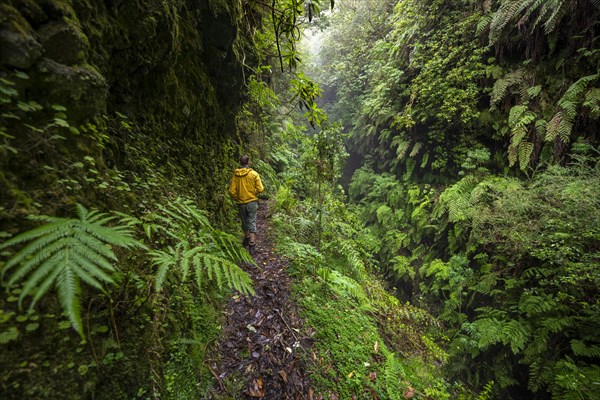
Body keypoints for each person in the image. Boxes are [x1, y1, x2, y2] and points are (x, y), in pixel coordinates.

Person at [229, 155, 264, 254]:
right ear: (248, 162)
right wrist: (254, 193)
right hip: (252, 202)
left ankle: (246, 238)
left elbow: (231, 191)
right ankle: (252, 245)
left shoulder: (236, 175)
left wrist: (238, 197)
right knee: (252, 221)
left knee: (244, 222)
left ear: (240, 163)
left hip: (241, 203)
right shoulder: (254, 174)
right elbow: (261, 189)